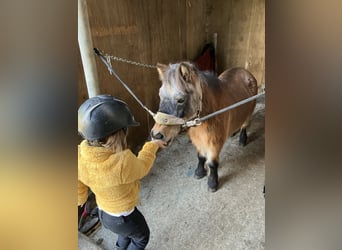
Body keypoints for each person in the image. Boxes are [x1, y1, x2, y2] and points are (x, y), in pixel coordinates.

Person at [78, 94, 166, 250]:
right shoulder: (122, 162)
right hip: (125, 216)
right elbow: (143, 166)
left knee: (125, 234)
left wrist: (80, 198)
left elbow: (78, 184)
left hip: (104, 213)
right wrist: (152, 145)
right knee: (141, 238)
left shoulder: (79, 156)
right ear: (119, 134)